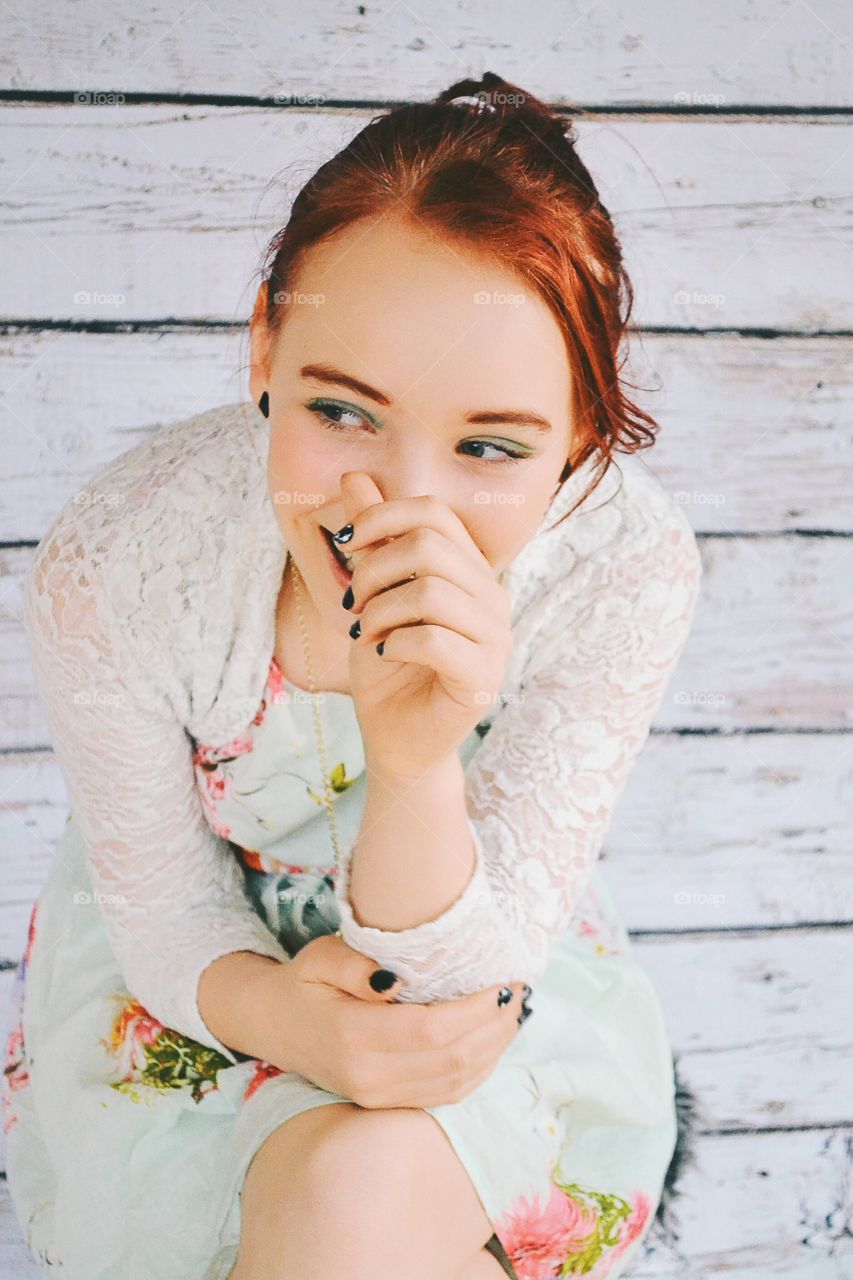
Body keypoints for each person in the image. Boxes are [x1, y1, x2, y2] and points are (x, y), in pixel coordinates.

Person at [3, 71, 703, 1280]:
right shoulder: (122, 559)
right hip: (207, 973)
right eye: (342, 411)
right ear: (268, 344)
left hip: (474, 944)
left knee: (355, 1187)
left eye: (489, 444)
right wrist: (295, 1021)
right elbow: (165, 910)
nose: (399, 505)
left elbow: (465, 974)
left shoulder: (623, 568)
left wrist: (416, 755)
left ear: (581, 432)